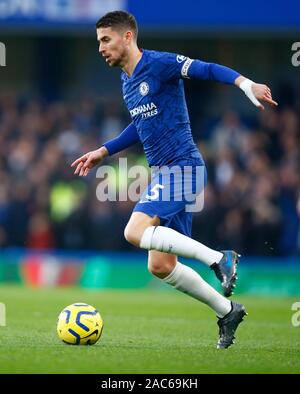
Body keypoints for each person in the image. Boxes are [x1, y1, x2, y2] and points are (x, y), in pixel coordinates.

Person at [71, 11, 277, 349]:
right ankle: (227, 311)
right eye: (98, 42)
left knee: (133, 231)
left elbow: (206, 68)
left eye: (105, 40)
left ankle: (219, 258)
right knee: (161, 264)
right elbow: (140, 124)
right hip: (165, 173)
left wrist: (245, 84)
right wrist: (104, 151)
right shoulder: (127, 80)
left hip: (184, 167)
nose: (100, 48)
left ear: (127, 37)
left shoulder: (160, 64)